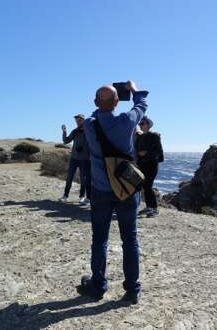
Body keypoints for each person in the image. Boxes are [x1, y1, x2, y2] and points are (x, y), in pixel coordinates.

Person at [79, 80, 149, 305]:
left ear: (96, 102)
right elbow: (142, 105)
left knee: (99, 239)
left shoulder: (90, 125)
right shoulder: (127, 121)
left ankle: (98, 285)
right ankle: (132, 290)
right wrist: (133, 89)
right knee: (130, 238)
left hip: (100, 190)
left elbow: (96, 112)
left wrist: (104, 101)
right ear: (118, 101)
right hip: (127, 189)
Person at [135, 116, 164, 217]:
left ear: (148, 125)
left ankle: (154, 209)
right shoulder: (140, 137)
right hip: (142, 164)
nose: (140, 125)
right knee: (144, 186)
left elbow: (159, 151)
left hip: (151, 164)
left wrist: (146, 153)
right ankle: (148, 207)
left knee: (148, 186)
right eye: (140, 124)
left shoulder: (154, 136)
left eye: (142, 123)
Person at [61, 114, 91, 205]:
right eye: (76, 121)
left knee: (83, 179)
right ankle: (65, 196)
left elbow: (93, 143)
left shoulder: (89, 131)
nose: (77, 122)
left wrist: (85, 149)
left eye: (79, 120)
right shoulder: (75, 131)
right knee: (69, 177)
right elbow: (66, 141)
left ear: (83, 120)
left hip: (85, 159)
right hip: (74, 158)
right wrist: (64, 131)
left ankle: (82, 197)